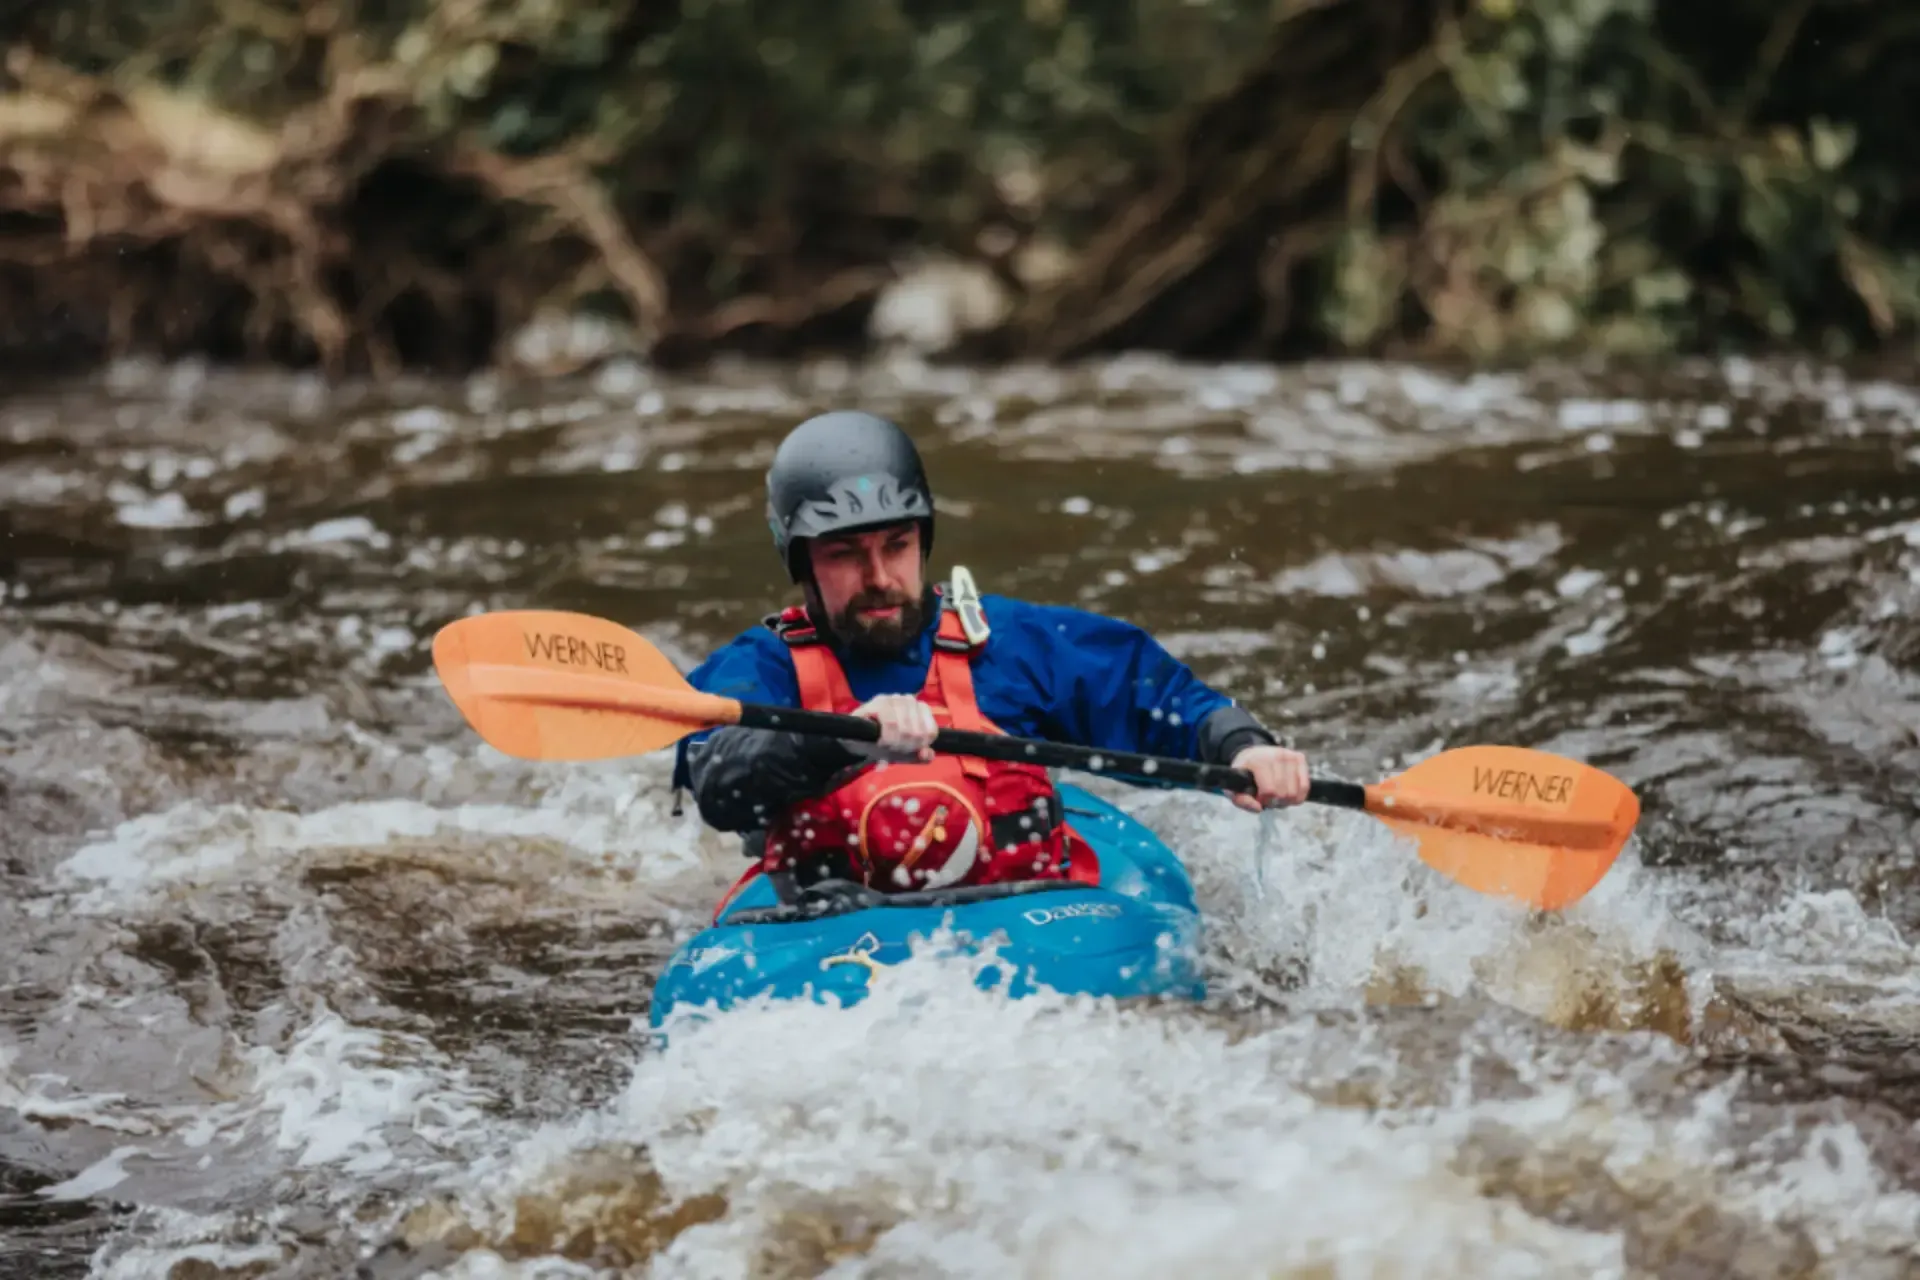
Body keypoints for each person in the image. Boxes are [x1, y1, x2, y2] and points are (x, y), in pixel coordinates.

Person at [672, 410, 1309, 903]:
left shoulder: (1007, 643)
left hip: (1025, 908)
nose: (880, 576)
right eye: (844, 554)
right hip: (835, 922)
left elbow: (1154, 699)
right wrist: (839, 742)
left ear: (923, 540)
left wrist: (1241, 746)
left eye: (897, 545)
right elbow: (720, 783)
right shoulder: (759, 669)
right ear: (801, 561)